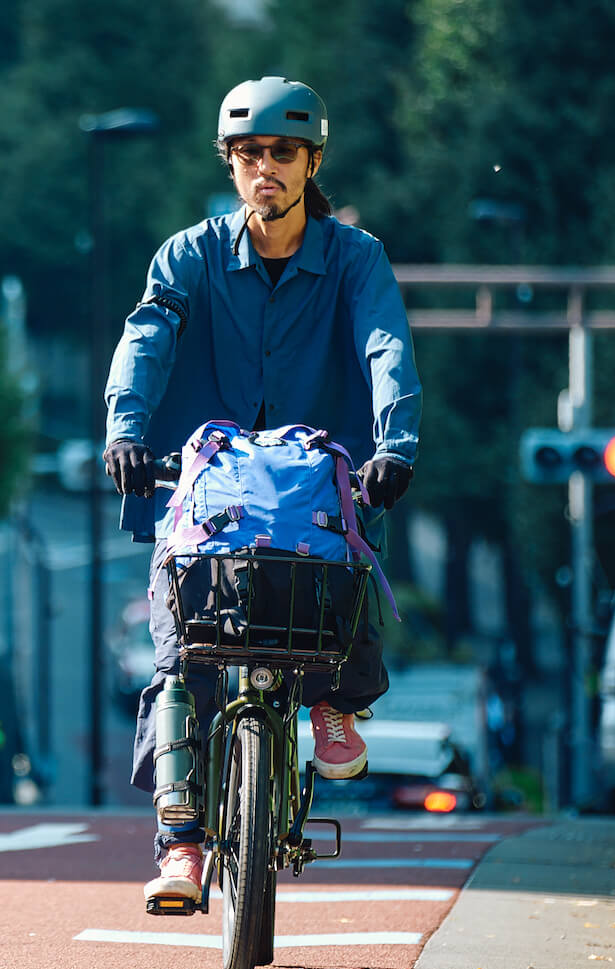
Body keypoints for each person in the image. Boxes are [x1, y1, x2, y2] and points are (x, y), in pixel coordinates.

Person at [101, 76, 422, 913]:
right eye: (249, 155)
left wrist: (396, 445)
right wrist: (125, 431)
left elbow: (385, 343)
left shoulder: (357, 259)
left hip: (317, 493)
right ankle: (180, 846)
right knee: (182, 657)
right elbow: (147, 334)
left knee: (335, 602)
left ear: (312, 162)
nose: (265, 169)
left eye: (283, 153)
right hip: (207, 500)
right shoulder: (189, 254)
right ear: (232, 166)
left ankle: (334, 704)